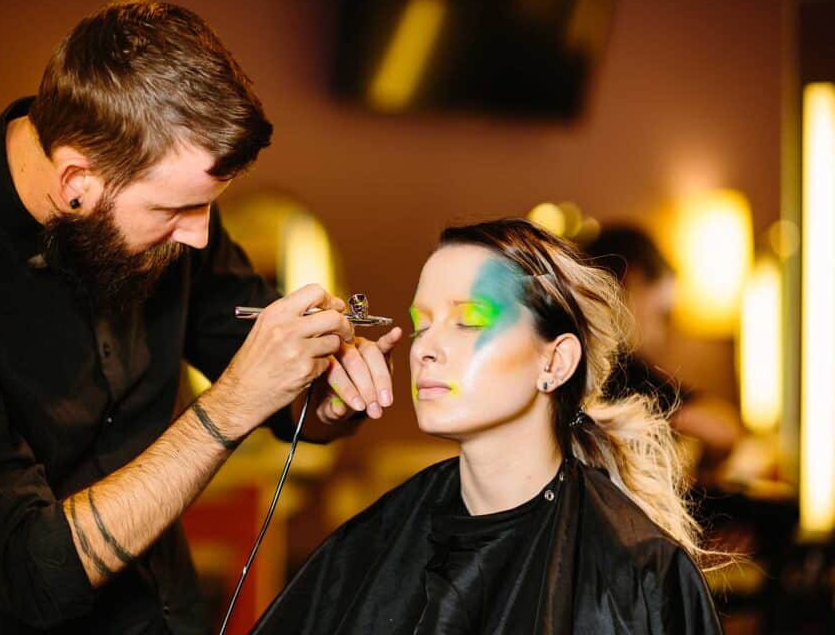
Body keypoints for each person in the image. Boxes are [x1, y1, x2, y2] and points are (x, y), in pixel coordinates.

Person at [0, 1, 401, 633]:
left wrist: (321, 398)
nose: (200, 238)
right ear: (77, 181)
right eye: (175, 210)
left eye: (206, 206)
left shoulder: (163, 203)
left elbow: (253, 356)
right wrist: (228, 410)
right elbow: (30, 573)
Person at [252, 218, 721, 634]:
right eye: (422, 324)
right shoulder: (370, 545)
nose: (424, 349)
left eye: (469, 321)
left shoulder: (638, 570)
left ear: (555, 362)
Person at [585, 225, 744, 470]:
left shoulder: (573, 356)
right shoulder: (619, 368)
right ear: (634, 281)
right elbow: (723, 430)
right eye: (663, 314)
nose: (663, 330)